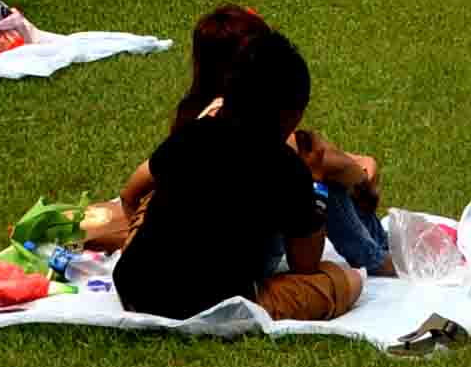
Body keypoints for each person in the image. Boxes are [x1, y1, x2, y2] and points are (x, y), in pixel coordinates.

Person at [112, 28, 367, 323]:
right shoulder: (286, 168)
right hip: (211, 306)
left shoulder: (191, 135)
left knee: (156, 189)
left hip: (132, 287)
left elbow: (130, 192)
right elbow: (306, 265)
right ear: (290, 114)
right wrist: (316, 181)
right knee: (347, 281)